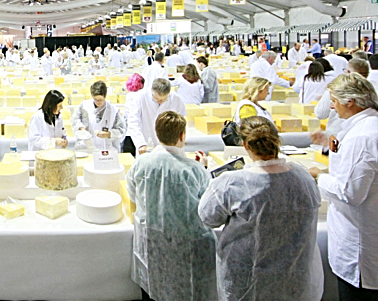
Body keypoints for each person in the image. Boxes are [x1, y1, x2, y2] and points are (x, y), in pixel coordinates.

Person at [198, 116, 323, 301]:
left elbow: (208, 218)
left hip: (248, 283)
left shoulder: (231, 183)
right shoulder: (303, 178)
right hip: (295, 282)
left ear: (246, 146)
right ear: (277, 140)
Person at [128, 111, 216, 301]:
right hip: (186, 248)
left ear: (157, 134)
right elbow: (208, 208)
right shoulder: (195, 171)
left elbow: (133, 195)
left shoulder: (141, 164)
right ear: (182, 136)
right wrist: (204, 168)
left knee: (151, 289)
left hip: (150, 243)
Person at [306, 73, 378, 300]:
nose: (333, 108)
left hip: (360, 247)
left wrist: (319, 177)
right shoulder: (365, 127)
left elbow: (350, 193)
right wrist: (331, 144)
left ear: (351, 101)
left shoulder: (363, 137)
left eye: (334, 101)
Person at [127, 78, 186, 153]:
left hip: (170, 146)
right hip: (146, 143)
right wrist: (140, 143)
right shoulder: (140, 97)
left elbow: (181, 123)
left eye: (164, 99)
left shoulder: (175, 98)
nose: (160, 102)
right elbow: (133, 122)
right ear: (152, 91)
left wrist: (179, 142)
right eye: (157, 99)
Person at [72, 81, 126, 152]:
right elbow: (75, 120)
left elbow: (121, 130)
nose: (98, 102)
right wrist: (81, 129)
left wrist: (109, 134)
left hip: (107, 148)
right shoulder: (84, 106)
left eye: (100, 100)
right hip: (87, 147)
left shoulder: (113, 110)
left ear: (105, 96)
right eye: (95, 99)